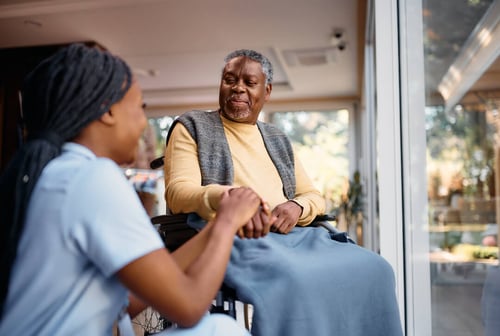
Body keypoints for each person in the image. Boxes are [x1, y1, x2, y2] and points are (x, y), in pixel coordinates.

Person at [0, 43, 275, 336]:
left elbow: (127, 301)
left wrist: (218, 227)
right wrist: (227, 220)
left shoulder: (61, 173)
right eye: (140, 107)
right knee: (222, 329)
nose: (145, 123)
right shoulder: (93, 179)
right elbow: (189, 307)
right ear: (107, 111)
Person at [163, 49, 403, 336]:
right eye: (229, 79)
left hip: (295, 235)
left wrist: (297, 207)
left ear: (267, 90)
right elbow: (178, 193)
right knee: (297, 279)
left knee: (377, 269)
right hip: (238, 235)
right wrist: (231, 199)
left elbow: (313, 195)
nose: (238, 87)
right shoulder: (191, 126)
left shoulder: (277, 139)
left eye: (249, 82)